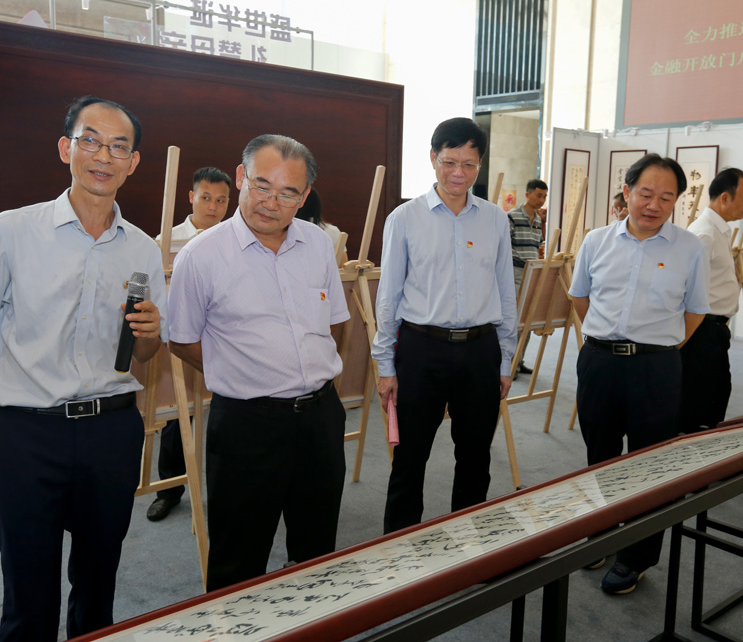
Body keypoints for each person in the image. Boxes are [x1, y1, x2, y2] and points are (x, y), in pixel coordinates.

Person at [0, 96, 166, 640]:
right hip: (28, 434)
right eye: (91, 140)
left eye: (119, 147)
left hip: (112, 431)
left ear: (134, 162)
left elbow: (143, 356)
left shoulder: (143, 249)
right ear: (66, 148)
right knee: (28, 595)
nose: (103, 156)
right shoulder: (11, 231)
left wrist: (150, 336)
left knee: (98, 586)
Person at [167, 134, 349, 591]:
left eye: (288, 193)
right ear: (241, 177)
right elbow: (182, 340)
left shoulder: (319, 244)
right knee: (238, 560)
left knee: (317, 551)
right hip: (247, 426)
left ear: (304, 196)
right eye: (261, 186)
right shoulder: (200, 256)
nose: (271, 202)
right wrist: (241, 369)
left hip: (321, 419)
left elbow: (335, 324)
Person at [570, 153, 709, 595]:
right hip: (599, 362)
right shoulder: (596, 241)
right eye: (646, 194)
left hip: (656, 368)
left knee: (650, 464)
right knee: (600, 454)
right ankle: (600, 535)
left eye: (666, 197)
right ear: (627, 192)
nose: (654, 205)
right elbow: (581, 299)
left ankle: (636, 556)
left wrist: (657, 348)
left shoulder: (690, 248)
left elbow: (695, 312)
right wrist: (608, 341)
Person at [373, 117, 517, 534]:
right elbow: (389, 297)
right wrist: (385, 365)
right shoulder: (404, 218)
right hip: (422, 349)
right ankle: (399, 545)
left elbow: (505, 292)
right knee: (410, 456)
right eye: (450, 162)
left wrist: (505, 359)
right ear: (433, 158)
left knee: (475, 456)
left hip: (480, 350)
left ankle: (468, 545)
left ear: (480, 165)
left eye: (469, 164)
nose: (459, 173)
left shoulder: (495, 219)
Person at [147, 167, 231, 523]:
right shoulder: (165, 242)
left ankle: (223, 490)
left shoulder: (235, 238)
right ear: (191, 197)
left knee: (226, 420)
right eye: (206, 198)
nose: (213, 207)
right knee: (176, 421)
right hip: (181, 341)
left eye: (221, 200)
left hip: (224, 341)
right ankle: (169, 490)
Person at [680, 168, 743, 431]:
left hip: (714, 328)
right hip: (702, 329)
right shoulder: (705, 234)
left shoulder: (718, 230)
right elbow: (687, 289)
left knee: (716, 394)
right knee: (699, 401)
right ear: (725, 198)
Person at [508, 179, 547, 375]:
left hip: (533, 273)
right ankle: (511, 364)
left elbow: (537, 246)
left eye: (544, 196)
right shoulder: (512, 215)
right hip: (516, 272)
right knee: (515, 320)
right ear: (527, 194)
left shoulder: (538, 219)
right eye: (538, 195)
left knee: (528, 319)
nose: (541, 200)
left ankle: (520, 360)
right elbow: (505, 246)